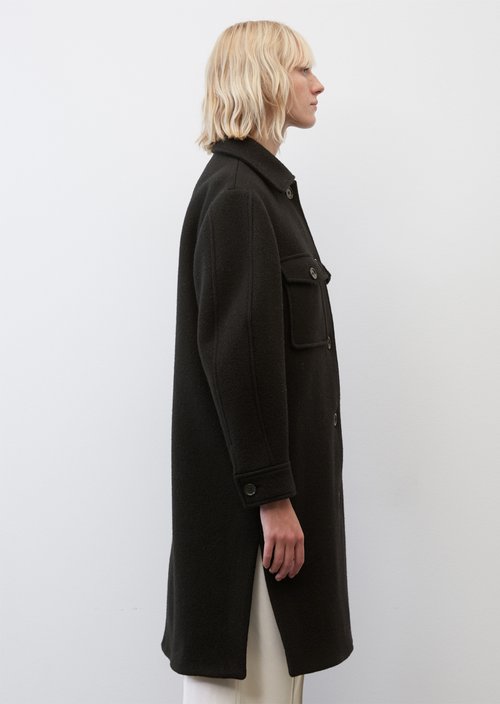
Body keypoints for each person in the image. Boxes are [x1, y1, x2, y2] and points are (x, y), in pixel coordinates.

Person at [160, 19, 354, 704]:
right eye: (303, 69)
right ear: (265, 79)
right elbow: (237, 362)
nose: (317, 84)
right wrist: (273, 499)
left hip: (267, 520)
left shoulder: (260, 191)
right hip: (251, 533)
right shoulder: (240, 196)